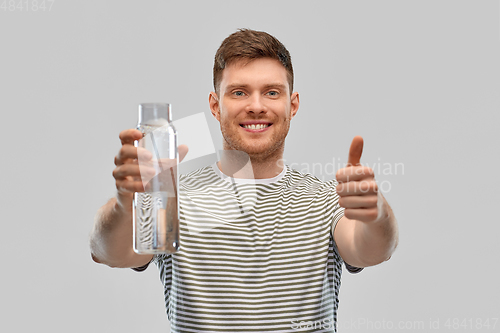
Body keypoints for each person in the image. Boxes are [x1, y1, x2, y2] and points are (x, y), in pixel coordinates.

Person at [90, 29, 398, 333]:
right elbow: (110, 253)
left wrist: (377, 214)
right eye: (239, 92)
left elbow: (371, 250)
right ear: (215, 105)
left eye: (272, 92)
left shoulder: (326, 199)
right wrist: (124, 203)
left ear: (292, 105)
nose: (256, 105)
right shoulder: (171, 199)